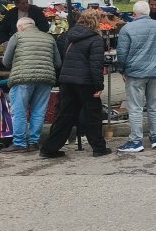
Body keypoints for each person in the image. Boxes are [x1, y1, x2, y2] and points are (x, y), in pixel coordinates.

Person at [40, 10, 112, 158]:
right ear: (95, 22)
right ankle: (98, 147)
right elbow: (95, 65)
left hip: (67, 80)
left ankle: (49, 148)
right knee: (93, 115)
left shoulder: (70, 36)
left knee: (65, 115)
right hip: (85, 81)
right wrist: (99, 86)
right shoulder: (95, 39)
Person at [115, 1, 156, 153]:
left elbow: (122, 53)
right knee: (155, 106)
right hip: (155, 72)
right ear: (148, 12)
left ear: (134, 14)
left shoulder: (127, 28)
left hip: (135, 73)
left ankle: (136, 141)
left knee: (136, 107)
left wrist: (122, 70)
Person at [0, 18, 61, 152]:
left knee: (19, 111)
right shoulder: (49, 38)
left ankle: (19, 143)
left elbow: (6, 61)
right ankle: (34, 142)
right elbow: (58, 63)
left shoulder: (17, 36)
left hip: (23, 78)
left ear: (20, 27)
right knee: (39, 111)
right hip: (45, 78)